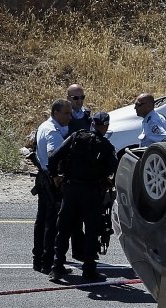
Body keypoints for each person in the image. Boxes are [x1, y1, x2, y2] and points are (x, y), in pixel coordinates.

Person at [47, 112, 118, 281]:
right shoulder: (106, 146)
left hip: (71, 190)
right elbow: (115, 168)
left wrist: (55, 176)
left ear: (92, 124)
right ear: (106, 126)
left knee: (63, 229)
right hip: (92, 193)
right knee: (92, 230)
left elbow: (54, 157)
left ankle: (57, 267)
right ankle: (89, 270)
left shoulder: (75, 137)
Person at [32, 99, 72, 274]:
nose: (69, 117)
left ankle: (38, 260)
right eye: (66, 113)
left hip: (43, 178)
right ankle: (48, 263)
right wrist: (59, 177)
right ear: (56, 113)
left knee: (42, 221)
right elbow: (54, 155)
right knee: (52, 223)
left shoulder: (44, 126)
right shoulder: (53, 132)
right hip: (51, 181)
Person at [65, 83, 91, 260]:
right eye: (75, 98)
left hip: (85, 168)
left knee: (83, 215)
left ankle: (79, 251)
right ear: (68, 99)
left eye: (82, 97)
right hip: (70, 168)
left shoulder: (87, 115)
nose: (79, 101)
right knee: (67, 216)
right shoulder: (65, 116)